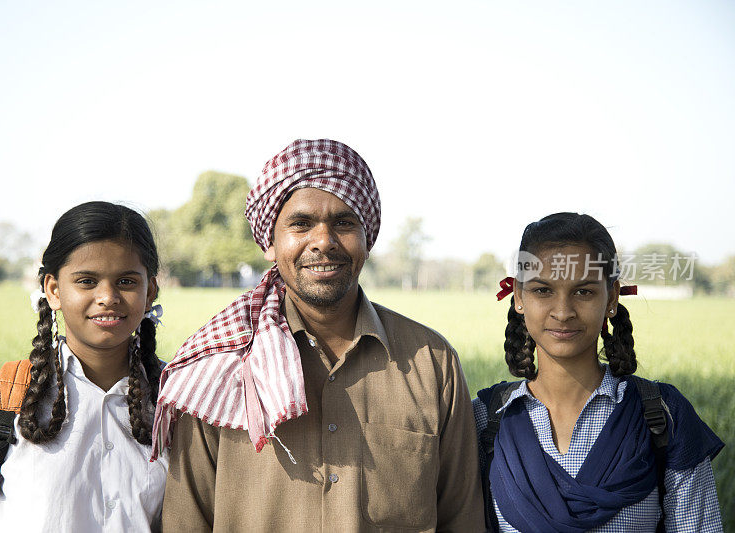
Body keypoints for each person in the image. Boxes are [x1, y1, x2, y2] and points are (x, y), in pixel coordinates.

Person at [154, 139, 485, 532]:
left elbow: (461, 518)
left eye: (344, 223)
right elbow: (186, 521)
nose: (324, 241)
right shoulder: (220, 366)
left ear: (368, 238)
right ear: (270, 242)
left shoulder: (431, 362)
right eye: (301, 223)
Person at [474, 212, 724, 532]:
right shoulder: (485, 420)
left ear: (612, 298)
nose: (563, 312)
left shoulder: (662, 417)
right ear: (519, 297)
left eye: (584, 292)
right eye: (543, 290)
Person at [0, 201, 168, 532]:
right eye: (87, 281)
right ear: (53, 290)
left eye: (127, 282)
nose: (108, 297)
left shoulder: (182, 401)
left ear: (150, 292)